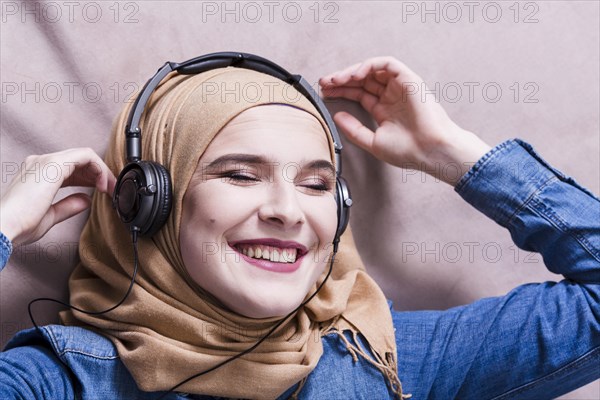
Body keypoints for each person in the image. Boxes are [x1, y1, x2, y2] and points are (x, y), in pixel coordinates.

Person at [0, 56, 598, 399]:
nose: (290, 210)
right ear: (147, 202)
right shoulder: (61, 381)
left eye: (316, 184)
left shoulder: (389, 361)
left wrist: (452, 152)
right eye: (240, 174)